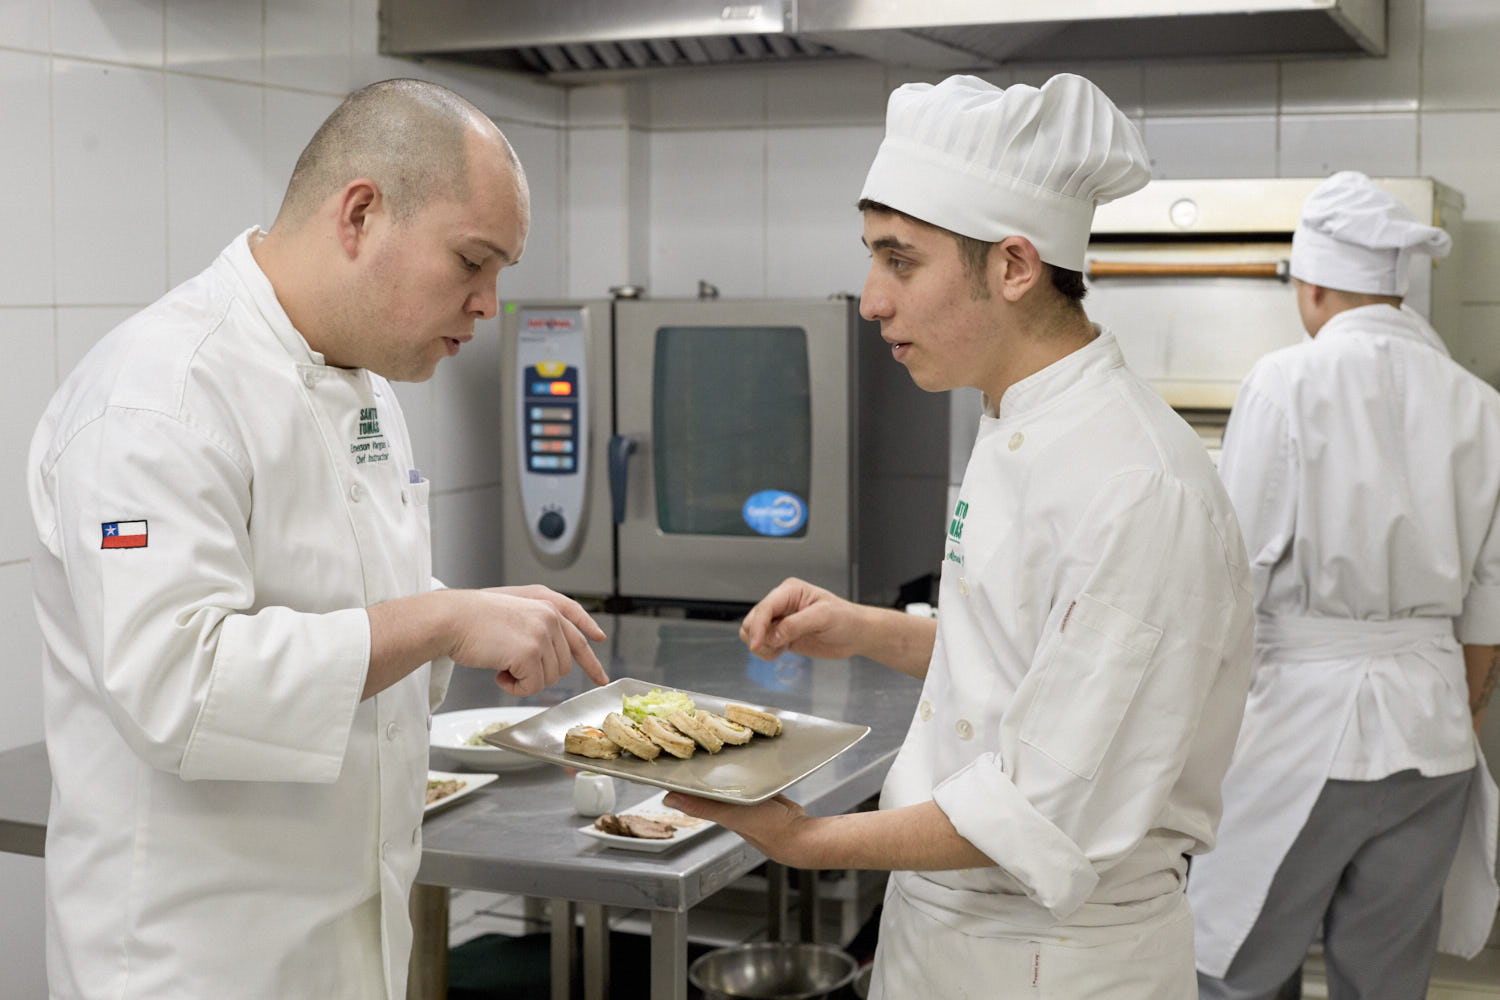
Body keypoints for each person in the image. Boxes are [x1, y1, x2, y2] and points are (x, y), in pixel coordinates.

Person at [663, 73, 1254, 999]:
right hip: (950, 931)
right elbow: (1029, 666)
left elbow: (1036, 807)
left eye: (900, 261)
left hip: (1051, 961)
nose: (870, 299)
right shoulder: (1016, 419)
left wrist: (804, 839)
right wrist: (863, 626)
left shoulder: (1139, 488)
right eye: (871, 258)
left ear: (1014, 267)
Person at [27, 78, 609, 1000]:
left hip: (343, 948)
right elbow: (180, 685)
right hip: (195, 962)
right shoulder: (158, 397)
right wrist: (443, 622)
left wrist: (479, 624)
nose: (489, 305)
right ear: (362, 214)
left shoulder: (366, 388)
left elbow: (351, 621)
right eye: (471, 263)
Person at [1189, 170, 1500, 999]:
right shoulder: (1480, 405)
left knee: (1241, 969)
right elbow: (1488, 605)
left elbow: (1235, 575)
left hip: (1302, 729)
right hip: (1432, 739)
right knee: (1386, 982)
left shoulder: (1285, 383)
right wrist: (1450, 708)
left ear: (1315, 282)